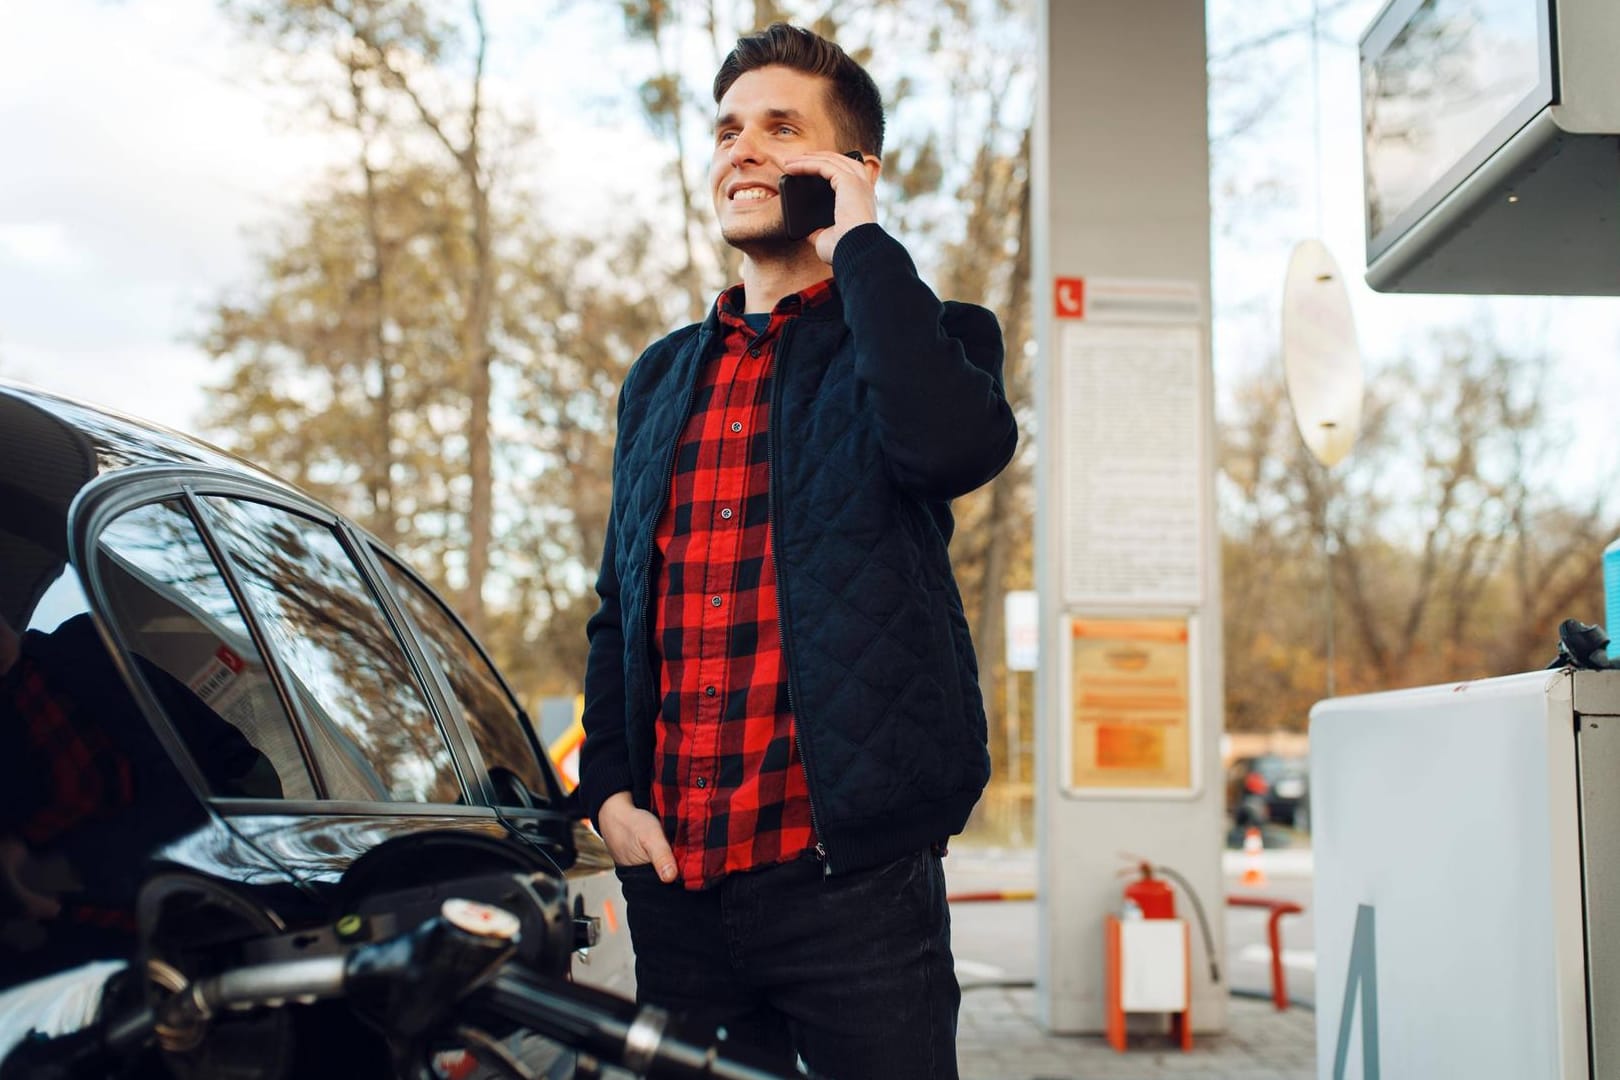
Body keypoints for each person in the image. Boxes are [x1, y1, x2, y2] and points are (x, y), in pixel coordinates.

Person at [579, 23, 1016, 1079]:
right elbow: (619, 610)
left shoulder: (935, 333)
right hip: (680, 892)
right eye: (729, 129)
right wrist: (608, 793)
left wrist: (859, 241)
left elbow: (952, 445)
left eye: (783, 128)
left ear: (850, 168)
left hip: (853, 891)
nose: (744, 149)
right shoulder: (659, 378)